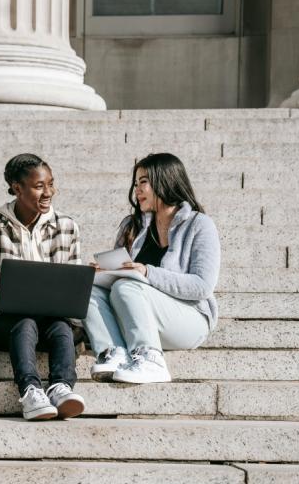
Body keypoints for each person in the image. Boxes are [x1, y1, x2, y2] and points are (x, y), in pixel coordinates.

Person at [84, 152, 221, 384]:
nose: (137, 190)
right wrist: (104, 272)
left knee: (128, 287)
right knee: (87, 288)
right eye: (135, 184)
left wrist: (147, 272)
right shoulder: (132, 225)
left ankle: (151, 360)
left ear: (165, 181)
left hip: (189, 318)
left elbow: (202, 286)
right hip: (135, 315)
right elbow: (120, 278)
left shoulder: (199, 225)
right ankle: (114, 353)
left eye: (144, 182)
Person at [0, 153, 86, 421]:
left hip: (53, 319)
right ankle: (31, 390)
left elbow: (73, 278)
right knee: (25, 320)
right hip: (4, 323)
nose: (49, 192)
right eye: (39, 186)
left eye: (51, 184)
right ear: (17, 188)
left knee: (61, 326)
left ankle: (61, 387)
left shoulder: (67, 227)